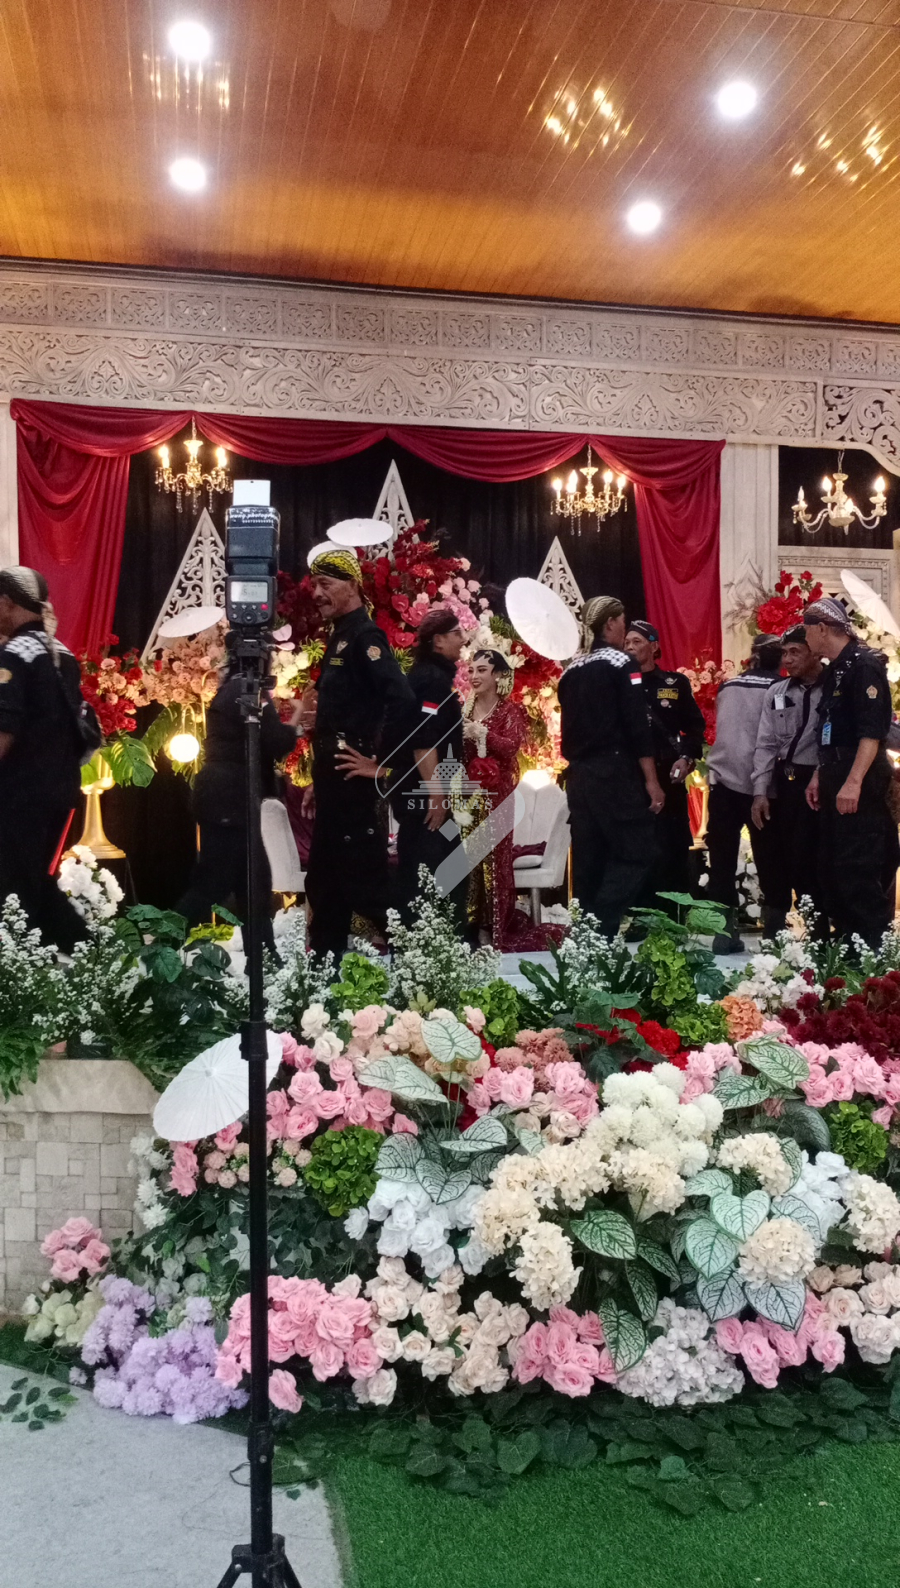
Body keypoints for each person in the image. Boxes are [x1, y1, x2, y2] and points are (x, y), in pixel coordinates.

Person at [300, 547, 415, 959]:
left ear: (352, 586)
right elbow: (335, 717)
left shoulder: (366, 637)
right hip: (334, 777)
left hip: (352, 779)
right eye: (314, 585)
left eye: (325, 584)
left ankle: (423, 958)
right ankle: (323, 972)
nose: (316, 593)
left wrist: (382, 765)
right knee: (324, 881)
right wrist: (319, 780)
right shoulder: (341, 636)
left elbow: (403, 700)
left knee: (364, 880)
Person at [336, 607, 468, 925]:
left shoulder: (426, 677)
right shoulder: (431, 680)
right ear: (438, 640)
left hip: (424, 796)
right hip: (424, 800)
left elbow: (404, 732)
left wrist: (383, 767)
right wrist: (436, 794)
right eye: (457, 633)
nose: (463, 640)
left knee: (447, 872)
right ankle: (420, 946)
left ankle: (434, 945)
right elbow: (423, 739)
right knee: (429, 882)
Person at [177, 646, 305, 953]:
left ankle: (263, 957)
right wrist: (298, 714)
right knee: (214, 883)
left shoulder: (233, 687)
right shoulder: (250, 690)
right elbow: (275, 741)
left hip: (226, 796)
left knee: (254, 883)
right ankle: (162, 942)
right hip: (229, 798)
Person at [557, 596, 664, 939]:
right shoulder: (621, 663)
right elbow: (636, 726)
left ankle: (586, 936)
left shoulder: (571, 669)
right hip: (613, 772)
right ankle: (602, 924)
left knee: (590, 857)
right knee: (638, 850)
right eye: (622, 621)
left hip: (578, 776)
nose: (625, 629)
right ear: (610, 624)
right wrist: (651, 780)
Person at [0, 565, 90, 953]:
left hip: (22, 793)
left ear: (7, 602)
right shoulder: (63, 654)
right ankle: (89, 955)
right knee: (33, 880)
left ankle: (76, 954)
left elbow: (5, 728)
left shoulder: (15, 655)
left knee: (16, 886)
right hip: (61, 789)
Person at [803, 596, 899, 948]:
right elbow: (829, 727)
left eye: (807, 631)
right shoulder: (836, 669)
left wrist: (854, 782)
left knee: (858, 867)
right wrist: (819, 773)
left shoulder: (864, 665)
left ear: (822, 628)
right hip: (834, 772)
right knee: (832, 867)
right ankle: (845, 947)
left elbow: (871, 732)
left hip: (859, 776)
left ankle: (872, 954)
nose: (805, 639)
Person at [461, 648, 555, 950]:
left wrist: (482, 734)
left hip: (498, 796)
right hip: (466, 797)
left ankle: (494, 927)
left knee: (494, 862)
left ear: (498, 675)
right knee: (468, 861)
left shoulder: (509, 711)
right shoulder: (464, 709)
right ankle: (469, 925)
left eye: (482, 670)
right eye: (472, 670)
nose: (474, 676)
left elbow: (511, 747)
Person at [705, 633, 784, 953]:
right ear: (780, 659)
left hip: (723, 783)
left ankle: (723, 934)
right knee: (771, 859)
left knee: (721, 861)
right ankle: (774, 934)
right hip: (764, 787)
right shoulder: (779, 689)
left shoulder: (728, 687)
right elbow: (779, 736)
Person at [624, 619, 706, 911]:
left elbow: (695, 728)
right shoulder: (619, 685)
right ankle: (639, 915)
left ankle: (674, 915)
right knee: (637, 846)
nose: (630, 647)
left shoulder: (674, 683)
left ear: (654, 646)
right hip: (632, 777)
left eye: (637, 641)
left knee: (672, 845)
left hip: (669, 773)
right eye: (626, 642)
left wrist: (687, 758)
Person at [750, 625, 825, 936]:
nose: (787, 660)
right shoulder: (777, 692)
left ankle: (820, 934)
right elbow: (766, 744)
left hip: (819, 782)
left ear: (815, 653)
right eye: (784, 653)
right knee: (777, 856)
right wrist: (760, 791)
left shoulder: (835, 687)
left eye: (795, 652)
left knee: (812, 860)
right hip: (784, 782)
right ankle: (776, 932)